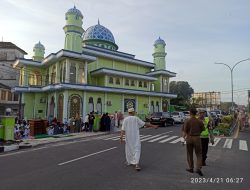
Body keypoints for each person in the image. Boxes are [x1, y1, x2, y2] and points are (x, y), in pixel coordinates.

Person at [183, 107, 205, 176]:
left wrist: (183, 139)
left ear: (190, 113)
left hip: (189, 138)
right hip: (197, 138)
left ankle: (191, 168)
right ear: (196, 113)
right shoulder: (199, 121)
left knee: (189, 154)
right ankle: (198, 168)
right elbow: (203, 129)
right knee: (199, 154)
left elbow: (184, 131)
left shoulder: (187, 121)